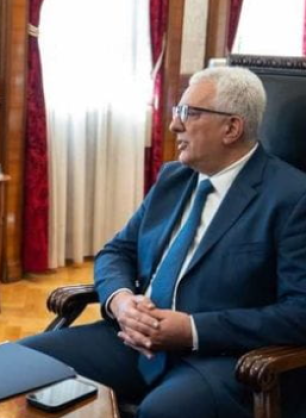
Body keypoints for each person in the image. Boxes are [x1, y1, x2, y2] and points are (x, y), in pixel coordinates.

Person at [20, 66, 306, 418]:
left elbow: (299, 312)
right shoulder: (175, 177)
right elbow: (118, 251)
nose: (174, 125)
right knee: (19, 365)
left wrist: (191, 330)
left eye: (189, 113)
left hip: (221, 357)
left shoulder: (292, 197)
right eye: (176, 111)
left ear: (231, 128)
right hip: (131, 339)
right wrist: (121, 302)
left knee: (163, 411)